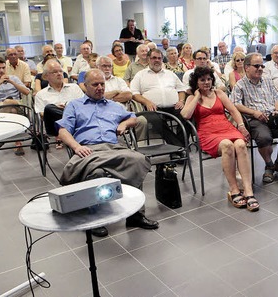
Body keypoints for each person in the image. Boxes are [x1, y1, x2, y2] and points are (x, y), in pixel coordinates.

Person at [57, 68, 158, 237]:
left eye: (102, 84)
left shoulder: (114, 105)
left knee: (138, 161)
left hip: (113, 148)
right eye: (95, 84)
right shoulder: (74, 105)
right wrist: (76, 147)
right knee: (96, 172)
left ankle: (135, 215)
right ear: (85, 86)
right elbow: (62, 131)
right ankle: (96, 218)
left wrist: (124, 124)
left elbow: (132, 117)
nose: (100, 88)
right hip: (88, 149)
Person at [181, 66, 259, 212]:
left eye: (209, 79)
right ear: (196, 82)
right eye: (202, 80)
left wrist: (241, 126)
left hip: (226, 127)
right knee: (227, 145)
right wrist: (197, 96)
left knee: (241, 144)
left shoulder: (219, 93)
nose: (206, 82)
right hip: (207, 132)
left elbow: (233, 110)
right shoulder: (192, 98)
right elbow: (185, 115)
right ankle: (234, 189)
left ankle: (248, 191)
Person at [232, 53, 278, 183]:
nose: (260, 68)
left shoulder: (268, 81)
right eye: (256, 66)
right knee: (265, 139)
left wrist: (277, 110)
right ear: (247, 67)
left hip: (273, 116)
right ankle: (269, 165)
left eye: (262, 66)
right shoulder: (240, 85)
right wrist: (254, 112)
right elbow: (235, 104)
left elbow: (277, 98)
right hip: (255, 120)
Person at [130, 48, 187, 146]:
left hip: (174, 106)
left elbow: (181, 89)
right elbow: (134, 93)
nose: (157, 60)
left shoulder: (170, 74)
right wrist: (146, 102)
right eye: (154, 58)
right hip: (153, 108)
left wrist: (181, 101)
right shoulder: (140, 75)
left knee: (187, 116)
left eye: (159, 58)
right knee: (157, 122)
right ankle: (180, 147)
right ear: (148, 59)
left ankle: (178, 148)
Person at [0, 56, 31, 155]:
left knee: (10, 103)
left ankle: (2, 137)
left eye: (3, 68)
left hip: (17, 104)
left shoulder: (14, 78)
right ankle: (18, 142)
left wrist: (12, 82)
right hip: (0, 106)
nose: (1, 70)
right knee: (10, 107)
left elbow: (26, 92)